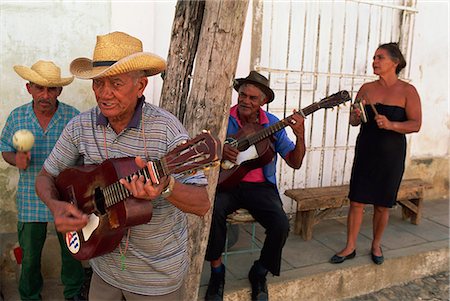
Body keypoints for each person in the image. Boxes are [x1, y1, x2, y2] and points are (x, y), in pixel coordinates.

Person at [35, 31, 210, 300]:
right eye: (98, 83)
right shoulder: (80, 127)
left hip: (157, 277)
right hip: (103, 267)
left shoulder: (167, 130)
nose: (104, 94)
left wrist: (167, 188)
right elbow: (46, 176)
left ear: (140, 85)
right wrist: (57, 206)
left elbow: (202, 204)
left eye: (115, 83)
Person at [204, 71, 306, 301]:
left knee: (281, 224)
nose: (245, 101)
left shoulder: (272, 124)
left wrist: (300, 135)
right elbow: (201, 151)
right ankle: (217, 272)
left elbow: (295, 162)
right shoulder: (221, 117)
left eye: (252, 98)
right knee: (212, 211)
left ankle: (260, 272)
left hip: (260, 187)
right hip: (226, 183)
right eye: (243, 95)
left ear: (263, 102)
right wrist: (219, 151)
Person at [329, 42, 422, 265]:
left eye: (380, 58)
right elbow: (354, 121)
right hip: (367, 151)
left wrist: (391, 125)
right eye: (374, 58)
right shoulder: (367, 89)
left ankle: (376, 245)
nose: (374, 62)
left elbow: (416, 124)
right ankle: (350, 246)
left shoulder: (408, 91)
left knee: (382, 204)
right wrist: (355, 115)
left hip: (391, 156)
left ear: (395, 62)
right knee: (357, 201)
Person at [0, 60, 84, 300]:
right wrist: (16, 159)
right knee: (29, 256)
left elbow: (85, 155)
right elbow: (4, 147)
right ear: (29, 88)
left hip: (67, 197)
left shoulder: (73, 117)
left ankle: (73, 292)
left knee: (72, 251)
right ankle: (29, 295)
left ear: (59, 91)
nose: (45, 95)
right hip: (30, 198)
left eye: (51, 89)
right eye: (39, 88)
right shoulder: (18, 117)